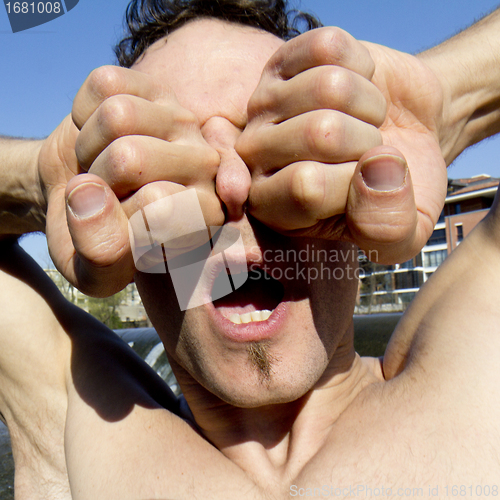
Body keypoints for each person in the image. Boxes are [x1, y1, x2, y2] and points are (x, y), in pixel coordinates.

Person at [0, 0, 500, 498]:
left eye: (280, 142)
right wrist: (49, 181)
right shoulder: (84, 424)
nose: (233, 185)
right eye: (173, 166)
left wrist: (435, 104)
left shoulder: (474, 369)